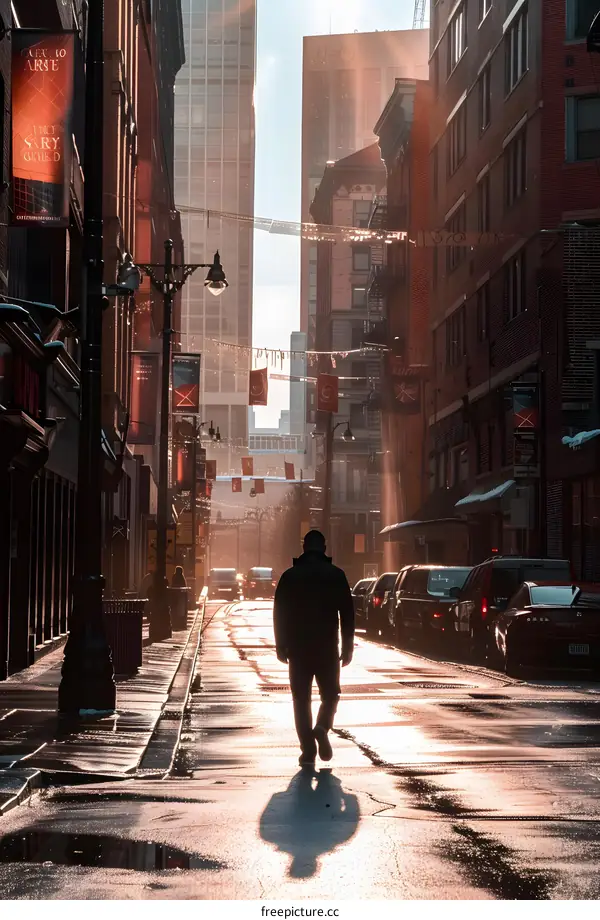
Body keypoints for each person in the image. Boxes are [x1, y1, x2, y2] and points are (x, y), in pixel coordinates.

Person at [273, 529, 355, 767]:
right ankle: (322, 726)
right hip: (327, 647)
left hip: (298, 649)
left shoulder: (290, 577)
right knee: (330, 694)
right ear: (325, 548)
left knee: (301, 700)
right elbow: (347, 614)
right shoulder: (336, 575)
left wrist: (281, 645)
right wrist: (347, 646)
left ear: (304, 548)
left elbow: (280, 613)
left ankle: (307, 750)